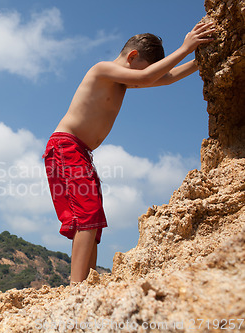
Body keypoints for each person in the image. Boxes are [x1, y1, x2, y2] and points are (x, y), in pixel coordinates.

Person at [42, 22, 215, 283]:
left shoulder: (123, 80)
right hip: (66, 147)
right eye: (145, 67)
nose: (145, 74)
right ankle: (76, 289)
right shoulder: (103, 69)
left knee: (93, 220)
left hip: (80, 152)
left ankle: (87, 283)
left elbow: (163, 77)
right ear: (132, 56)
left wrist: (199, 60)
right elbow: (148, 77)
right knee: (86, 215)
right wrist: (185, 47)